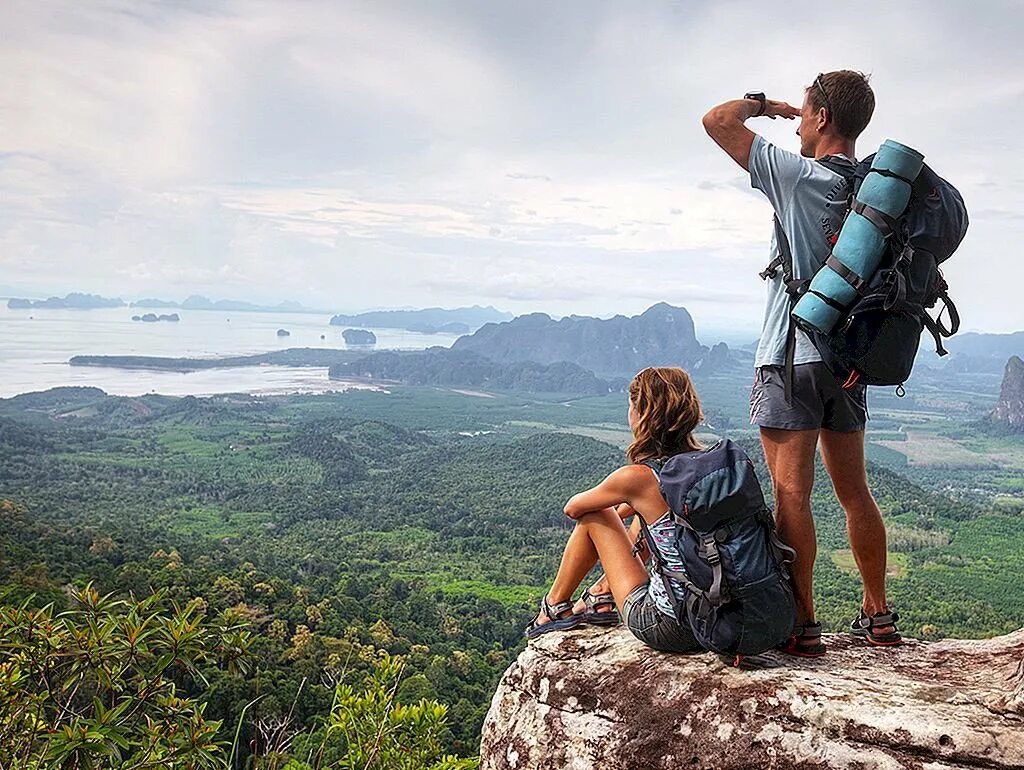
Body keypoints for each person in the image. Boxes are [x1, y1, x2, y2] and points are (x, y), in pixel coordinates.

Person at [701, 71, 901, 654]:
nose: (796, 123)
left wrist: (765, 105)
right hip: (849, 361)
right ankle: (878, 613)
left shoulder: (797, 176)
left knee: (793, 495)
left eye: (805, 112)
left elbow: (717, 120)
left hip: (790, 357)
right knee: (855, 492)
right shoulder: (875, 193)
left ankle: (803, 623)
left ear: (821, 118)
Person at [525, 367, 704, 652]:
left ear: (642, 415)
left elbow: (574, 508)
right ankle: (601, 593)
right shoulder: (706, 465)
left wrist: (621, 504)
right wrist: (630, 507)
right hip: (724, 619)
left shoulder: (639, 478)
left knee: (596, 514)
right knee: (648, 519)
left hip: (672, 627)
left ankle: (554, 606)